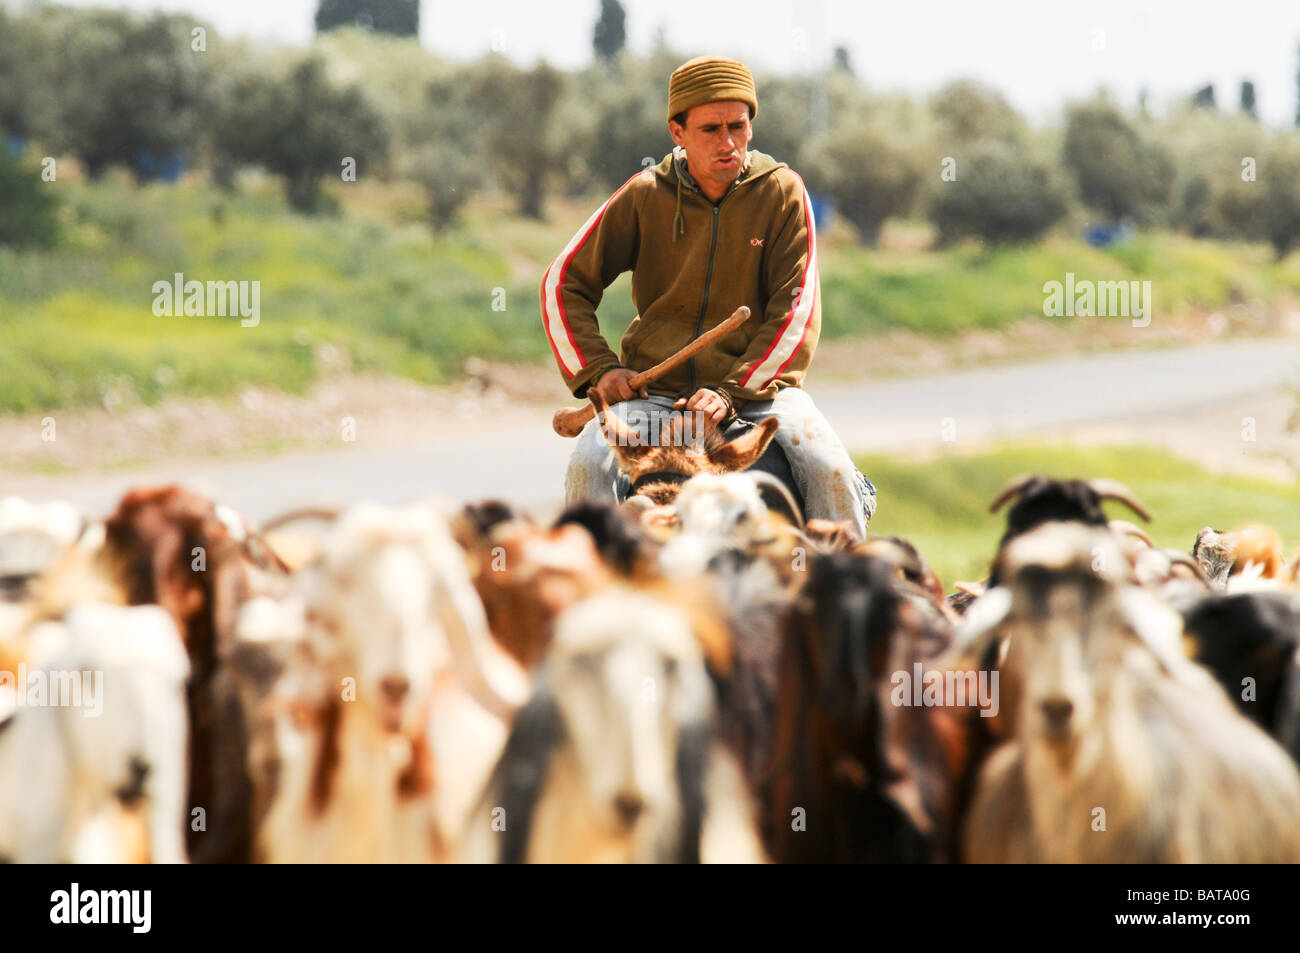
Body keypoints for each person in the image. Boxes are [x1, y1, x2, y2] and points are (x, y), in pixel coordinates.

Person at [541, 54, 876, 537]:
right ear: (677, 132)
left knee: (830, 469)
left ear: (751, 127)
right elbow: (562, 284)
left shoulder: (782, 193)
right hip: (654, 398)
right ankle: (595, 588)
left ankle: (847, 594)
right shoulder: (644, 195)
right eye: (710, 129)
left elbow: (795, 310)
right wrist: (601, 369)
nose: (728, 142)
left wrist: (730, 391)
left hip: (758, 395)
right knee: (588, 464)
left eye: (737, 126)